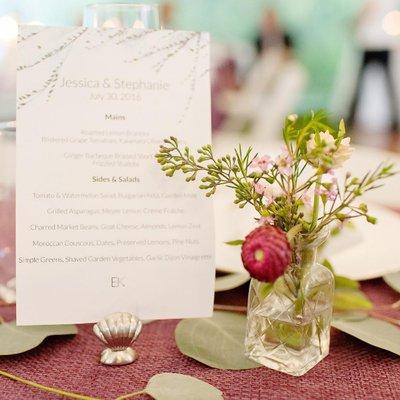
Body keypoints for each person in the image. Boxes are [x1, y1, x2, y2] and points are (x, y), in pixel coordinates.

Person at [348, 0, 400, 148]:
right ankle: (350, 120)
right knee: (361, 86)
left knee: (384, 85)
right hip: (373, 42)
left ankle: (395, 123)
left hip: (377, 42)